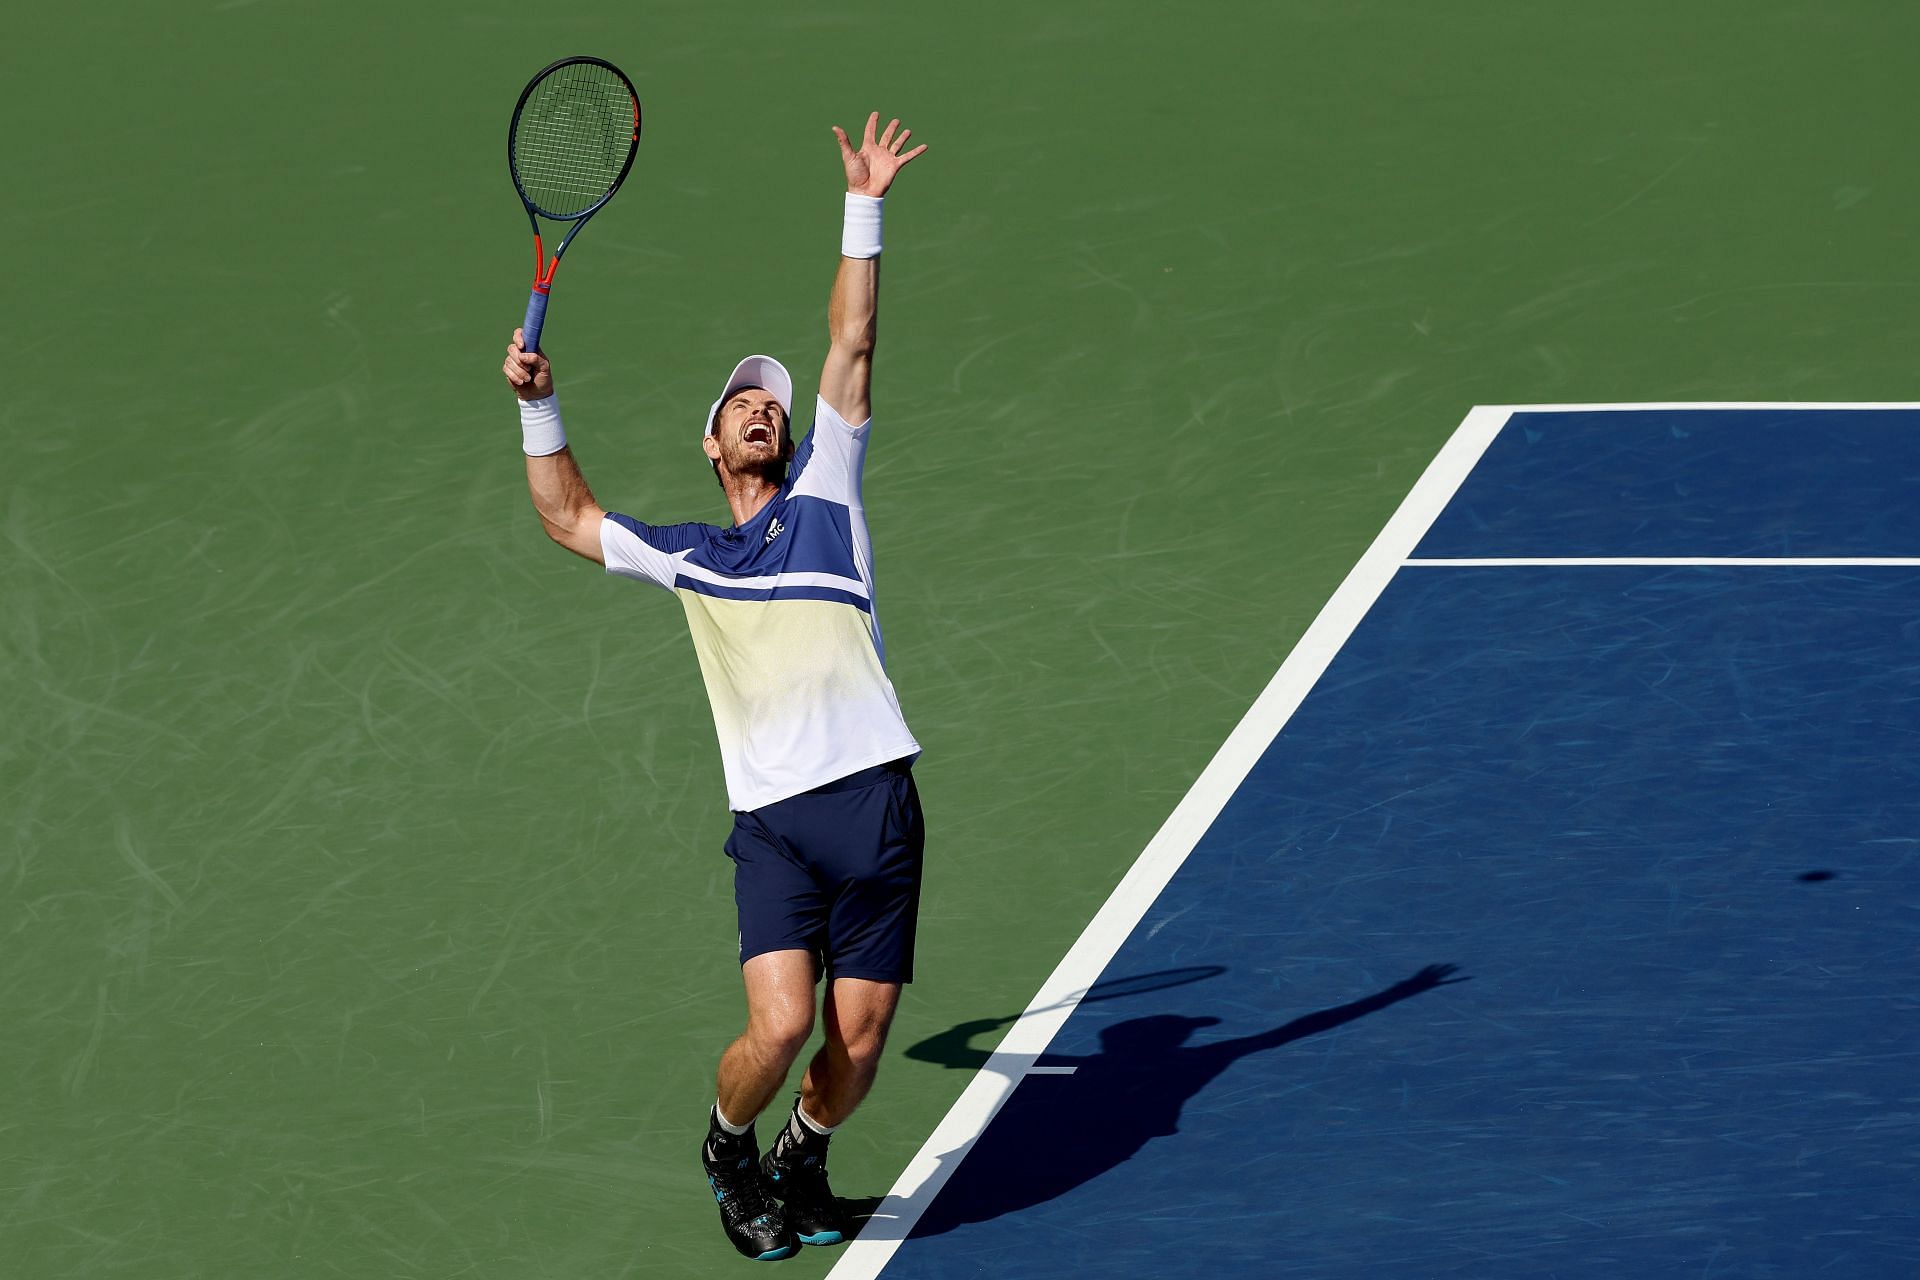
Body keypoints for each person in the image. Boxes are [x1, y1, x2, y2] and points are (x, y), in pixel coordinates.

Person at [501, 112, 929, 1262]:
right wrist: (538, 401)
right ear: (711, 443)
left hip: (878, 804)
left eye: (772, 403)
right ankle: (727, 1143)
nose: (764, 406)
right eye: (741, 402)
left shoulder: (829, 490)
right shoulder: (693, 552)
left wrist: (864, 204)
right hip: (779, 824)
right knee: (783, 1023)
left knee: (861, 1038)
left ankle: (801, 1155)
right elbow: (567, 515)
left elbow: (850, 343)